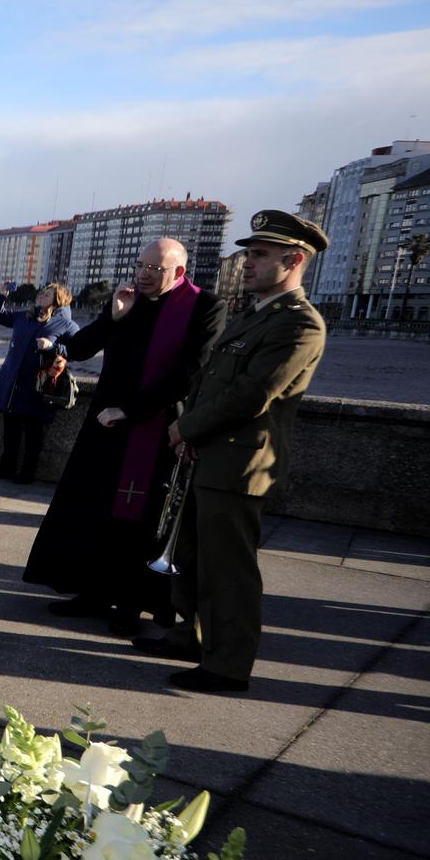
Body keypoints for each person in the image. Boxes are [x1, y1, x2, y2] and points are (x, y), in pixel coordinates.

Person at [135, 212, 328, 694]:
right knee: (191, 555)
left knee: (228, 568)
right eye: (248, 253)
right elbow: (208, 380)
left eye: (259, 255)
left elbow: (252, 394)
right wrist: (189, 430)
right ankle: (191, 635)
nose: (247, 263)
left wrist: (185, 426)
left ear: (294, 260)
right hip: (207, 453)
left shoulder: (300, 324)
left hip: (241, 463)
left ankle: (228, 664)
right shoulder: (253, 315)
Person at [26, 238, 227, 635]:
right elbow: (79, 349)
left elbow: (191, 374)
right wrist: (112, 318)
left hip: (153, 429)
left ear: (180, 273)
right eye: (141, 266)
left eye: (156, 269)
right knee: (96, 510)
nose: (144, 275)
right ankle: (93, 592)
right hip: (107, 426)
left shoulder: (206, 307)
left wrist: (132, 411)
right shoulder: (128, 301)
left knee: (141, 520)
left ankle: (131, 605)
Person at [0, 282, 80, 484]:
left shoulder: (65, 323)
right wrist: (0, 296)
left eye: (48, 293)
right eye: (42, 292)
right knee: (10, 427)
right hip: (14, 380)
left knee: (33, 431)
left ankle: (28, 472)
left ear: (58, 299)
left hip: (39, 384)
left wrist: (53, 347)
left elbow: (77, 349)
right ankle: (6, 467)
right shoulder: (25, 315)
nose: (42, 295)